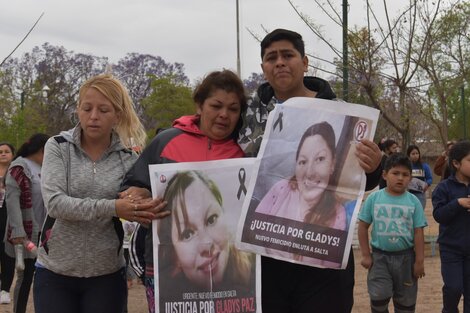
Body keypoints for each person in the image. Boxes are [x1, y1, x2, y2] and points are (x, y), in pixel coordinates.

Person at [238, 28, 383, 313]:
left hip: (324, 270)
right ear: (263, 68)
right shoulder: (244, 117)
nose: (279, 62)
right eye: (271, 57)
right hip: (266, 264)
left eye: (287, 55)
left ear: (305, 62)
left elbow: (361, 181)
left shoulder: (342, 112)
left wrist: (375, 165)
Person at [33, 74, 166, 313]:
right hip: (54, 273)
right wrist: (114, 207)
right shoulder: (57, 147)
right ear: (78, 110)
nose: (93, 116)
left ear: (118, 114)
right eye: (87, 108)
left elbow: (141, 206)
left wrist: (140, 198)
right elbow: (55, 204)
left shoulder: (129, 158)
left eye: (104, 110)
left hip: (107, 276)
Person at [120, 69, 248, 313]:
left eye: (233, 109)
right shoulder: (166, 142)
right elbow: (130, 188)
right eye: (216, 105)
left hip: (229, 277)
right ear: (199, 105)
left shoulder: (244, 151)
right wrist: (141, 200)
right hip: (162, 268)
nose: (224, 115)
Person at [157, 171, 254, 298]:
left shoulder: (257, 271)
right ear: (174, 254)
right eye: (187, 234)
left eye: (211, 219)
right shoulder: (168, 294)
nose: (206, 245)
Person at [358, 153, 427, 313]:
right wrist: (366, 255)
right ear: (385, 174)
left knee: (406, 302)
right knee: (378, 297)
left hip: (406, 259)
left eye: (405, 174)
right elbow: (362, 227)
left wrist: (419, 261)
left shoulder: (414, 202)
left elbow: (418, 232)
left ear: (410, 178)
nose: (400, 178)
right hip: (379, 259)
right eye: (395, 173)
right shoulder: (374, 199)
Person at [256, 121, 346, 230]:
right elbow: (251, 233)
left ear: (332, 163)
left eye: (320, 159)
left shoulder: (337, 215)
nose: (309, 173)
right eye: (303, 162)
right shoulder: (281, 190)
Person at [3, 134, 49, 313]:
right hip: (26, 233)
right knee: (26, 275)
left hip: (46, 231)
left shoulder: (45, 167)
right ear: (41, 150)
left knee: (45, 276)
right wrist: (18, 231)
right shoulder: (19, 166)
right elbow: (12, 201)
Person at [432, 140, 470, 313]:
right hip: (451, 249)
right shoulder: (443, 188)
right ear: (456, 163)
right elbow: (439, 215)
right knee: (454, 288)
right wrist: (458, 203)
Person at [0, 142, 15, 305]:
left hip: (9, 215)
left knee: (7, 253)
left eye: (6, 151)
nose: (3, 154)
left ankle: (5, 290)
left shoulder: (15, 172)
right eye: (0, 152)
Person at [406, 144, 432, 210]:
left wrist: (427, 184)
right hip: (408, 194)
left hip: (420, 195)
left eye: (417, 153)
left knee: (419, 213)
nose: (415, 156)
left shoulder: (425, 166)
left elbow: (430, 178)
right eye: (413, 154)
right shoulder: (406, 167)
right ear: (409, 155)